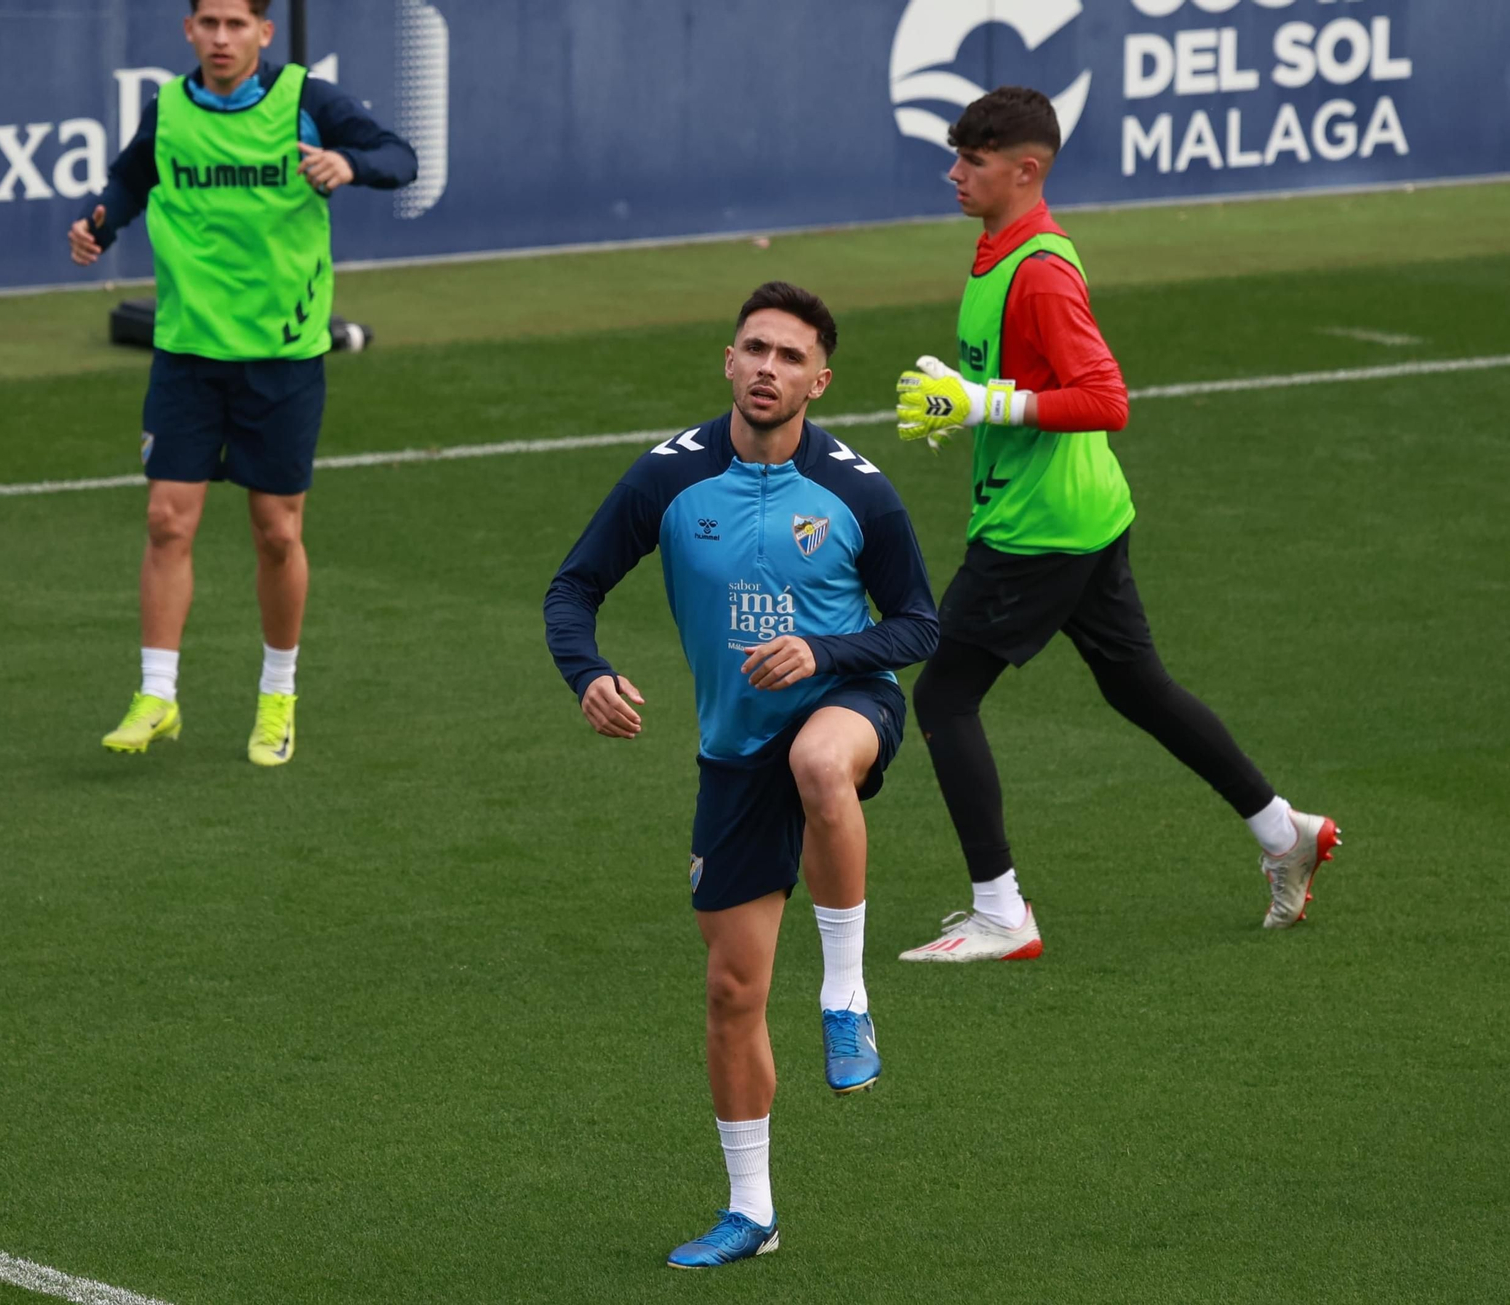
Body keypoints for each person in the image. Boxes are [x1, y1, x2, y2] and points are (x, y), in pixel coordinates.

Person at [893, 87, 1340, 961]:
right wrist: (969, 403)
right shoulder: (997, 249)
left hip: (1042, 529)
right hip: (1088, 512)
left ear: (1026, 170)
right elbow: (1025, 379)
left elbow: (1106, 398)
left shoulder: (1043, 268)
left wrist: (984, 398)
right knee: (1138, 687)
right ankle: (1283, 830)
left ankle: (1002, 913)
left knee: (944, 694)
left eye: (973, 162)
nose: (954, 173)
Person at [545, 282, 938, 1268]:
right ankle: (752, 1212)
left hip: (849, 711)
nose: (768, 368)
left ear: (820, 380)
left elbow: (919, 626)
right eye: (753, 349)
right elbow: (573, 586)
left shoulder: (858, 492)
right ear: (727, 360)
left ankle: (845, 996)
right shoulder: (667, 481)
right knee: (729, 994)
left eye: (789, 357)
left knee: (818, 762)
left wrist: (826, 651)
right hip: (731, 754)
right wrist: (587, 675)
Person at [68, 0, 416, 765]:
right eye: (208, 23)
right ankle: (157, 695)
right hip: (187, 352)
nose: (221, 38)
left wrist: (347, 164)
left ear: (264, 31)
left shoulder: (306, 102)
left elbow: (402, 158)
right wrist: (99, 222)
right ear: (188, 31)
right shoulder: (169, 111)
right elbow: (129, 180)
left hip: (282, 357)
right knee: (167, 520)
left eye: (236, 24)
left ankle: (278, 695)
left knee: (277, 531)